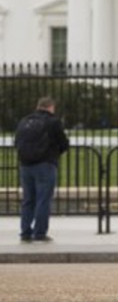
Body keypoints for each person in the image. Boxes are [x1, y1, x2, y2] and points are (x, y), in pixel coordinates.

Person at [15, 96, 69, 243]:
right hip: (45, 164)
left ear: (38, 106)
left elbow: (17, 141)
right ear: (51, 107)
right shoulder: (53, 122)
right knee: (43, 200)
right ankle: (40, 233)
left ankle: (25, 232)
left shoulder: (25, 120)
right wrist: (55, 154)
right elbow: (63, 143)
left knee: (28, 200)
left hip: (25, 165)